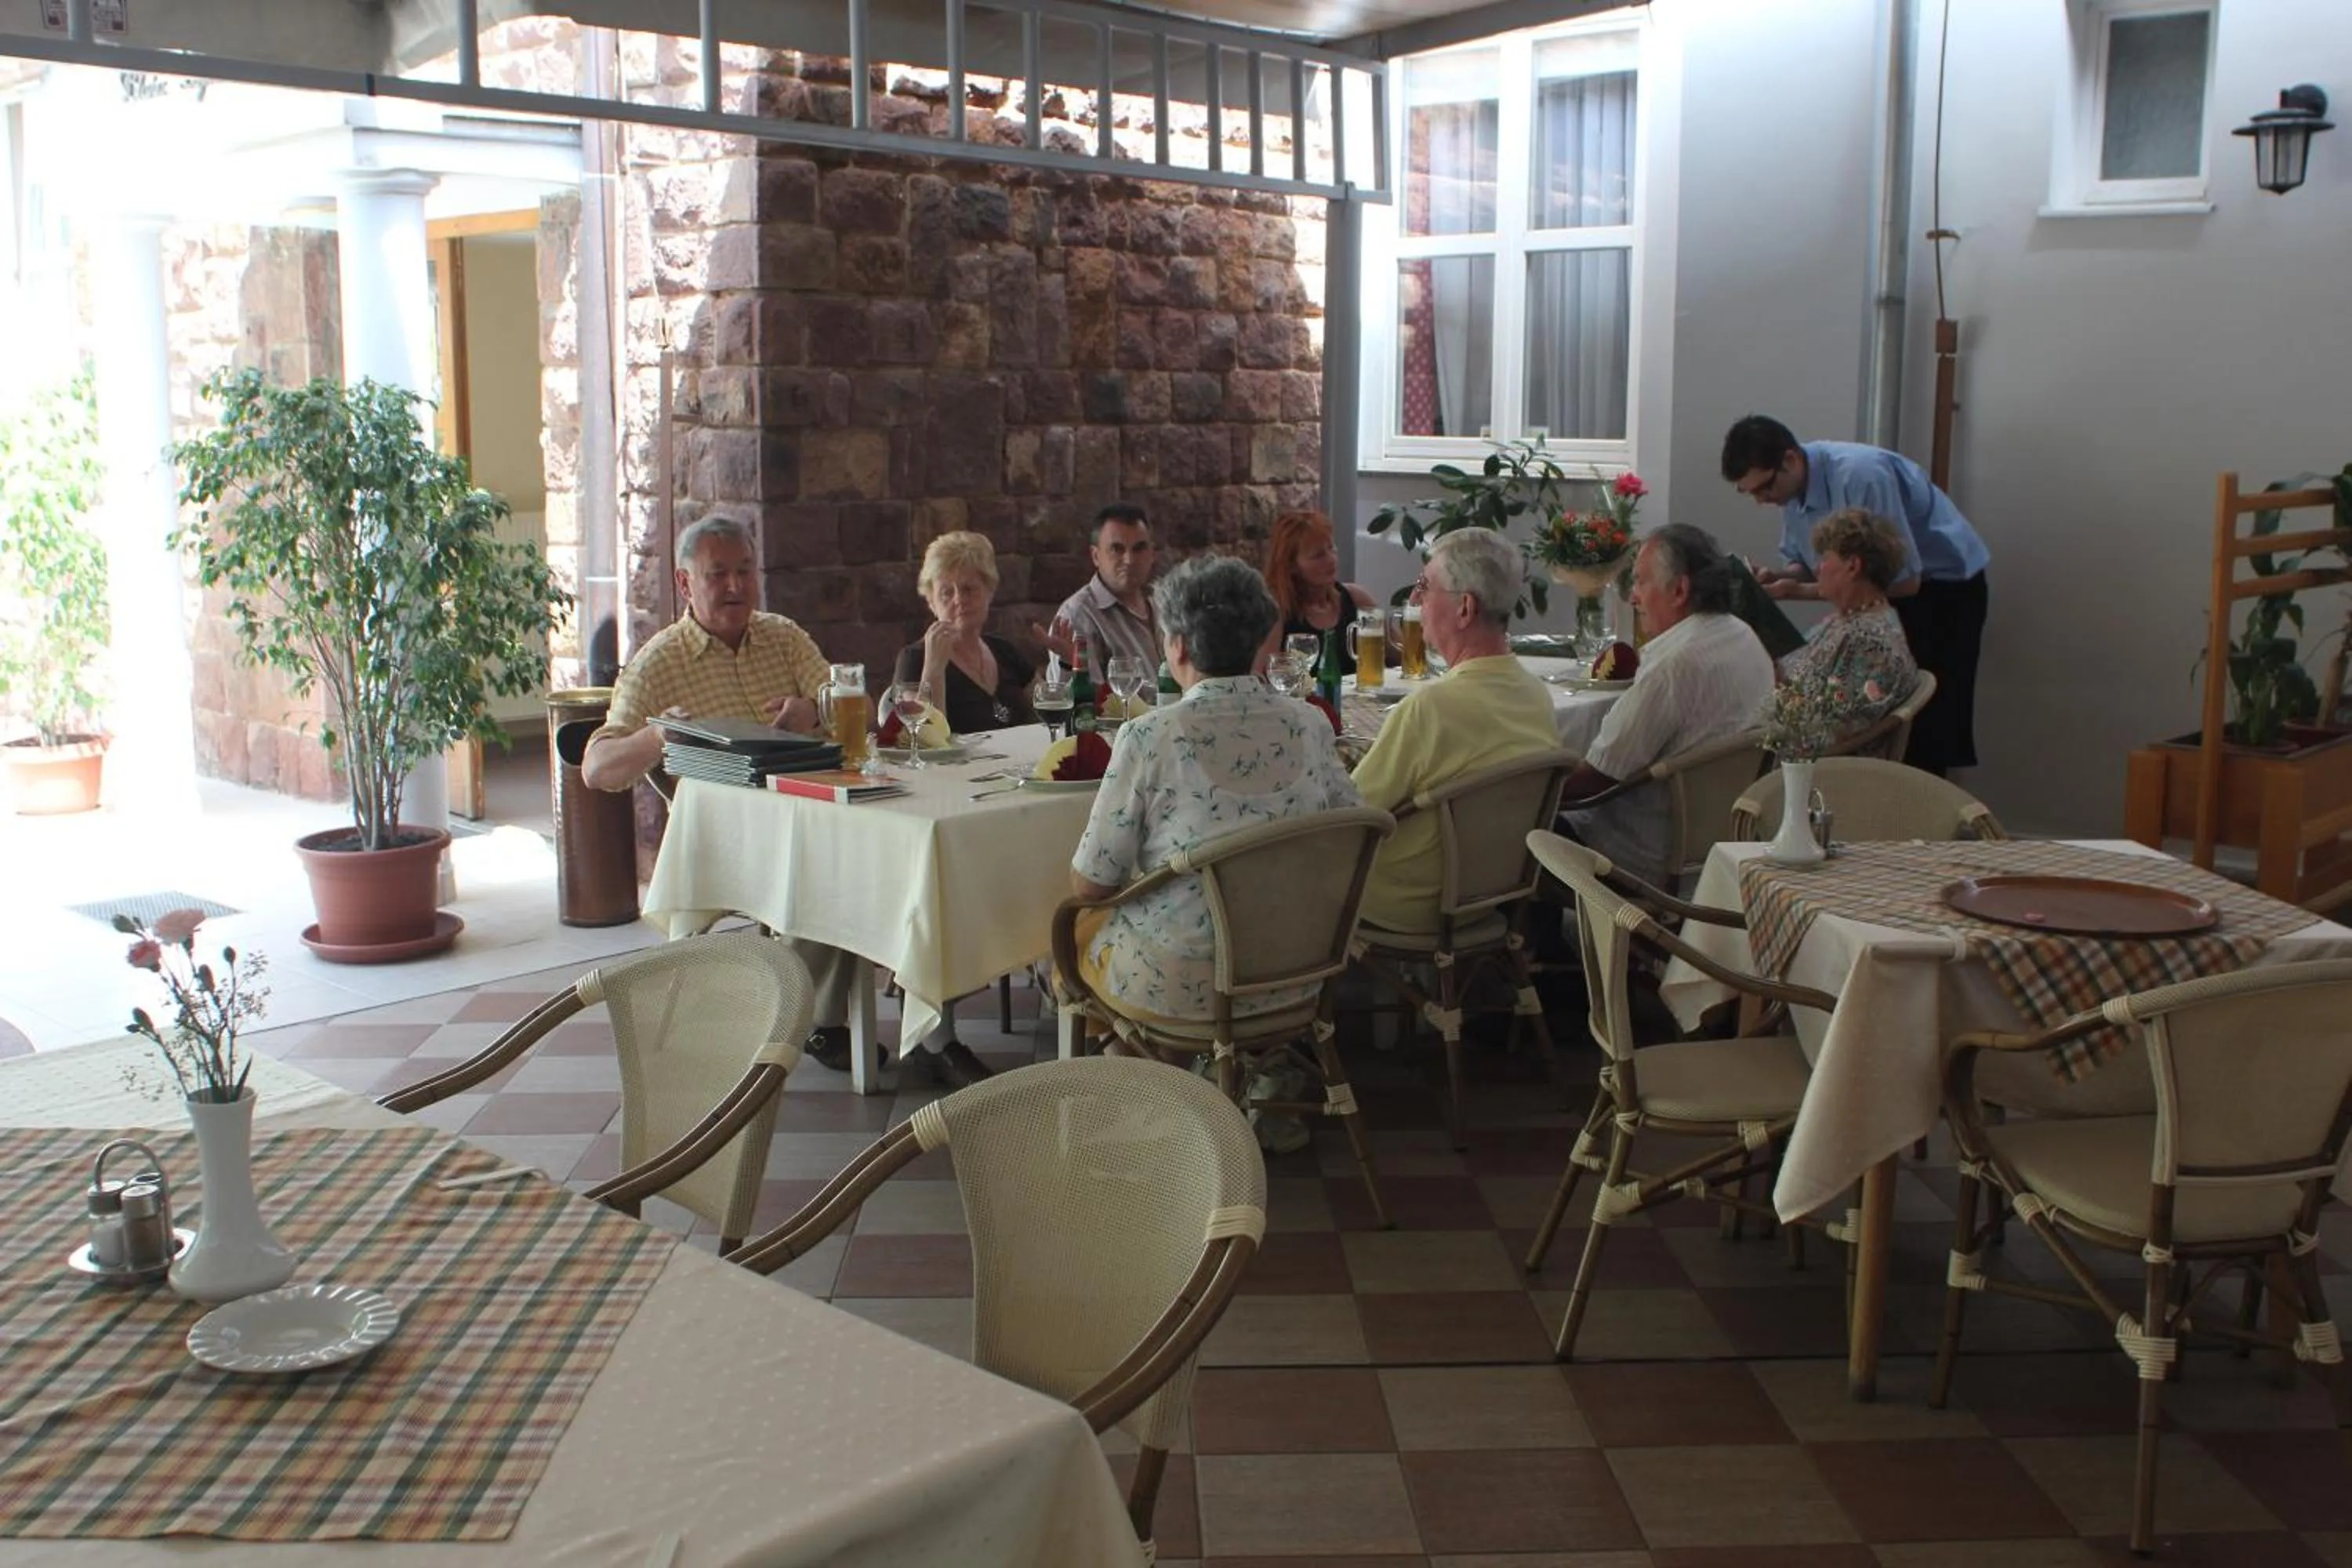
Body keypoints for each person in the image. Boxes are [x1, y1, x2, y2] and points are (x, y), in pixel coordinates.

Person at [1069, 554, 1361, 1152]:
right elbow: (1351, 828)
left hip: (1187, 984)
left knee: (1074, 932)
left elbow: (1092, 884)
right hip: (1301, 973)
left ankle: (1152, 1108)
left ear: (1176, 646)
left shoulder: (1151, 734)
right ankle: (1258, 1076)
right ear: (1263, 641)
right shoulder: (1310, 724)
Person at [579, 515, 859, 1075]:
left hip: (801, 819)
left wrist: (813, 709)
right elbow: (596, 768)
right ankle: (774, 1012)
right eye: (718, 575)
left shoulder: (782, 635)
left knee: (851, 867)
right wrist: (658, 735)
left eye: (745, 572)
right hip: (718, 843)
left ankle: (809, 1019)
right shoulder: (659, 661)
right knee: (825, 867)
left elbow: (845, 695)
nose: (735, 587)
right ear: (686, 584)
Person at [1720, 415, 1991, 775]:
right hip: (1882, 594)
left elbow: (1902, 578)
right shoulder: (1791, 492)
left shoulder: (1861, 475)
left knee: (1926, 730)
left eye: (1764, 488)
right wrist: (1782, 579)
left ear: (1790, 460)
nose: (1762, 500)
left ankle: (1919, 807)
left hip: (1942, 590)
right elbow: (1809, 563)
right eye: (1749, 493)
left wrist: (1800, 590)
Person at [1351, 530, 1560, 932]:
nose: (1414, 601)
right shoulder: (1536, 694)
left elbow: (1354, 813)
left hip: (1411, 900)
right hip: (1493, 892)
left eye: (1424, 587)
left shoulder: (1429, 708)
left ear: (1464, 608)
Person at [1559, 524, 1776, 887]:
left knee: (1519, 829)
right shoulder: (1741, 634)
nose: (1633, 598)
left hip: (1643, 852)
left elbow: (1600, 775)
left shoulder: (1675, 665)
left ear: (1679, 590)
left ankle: (1549, 943)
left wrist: (1529, 793)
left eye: (1641, 582)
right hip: (1719, 844)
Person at [1779, 508, 1920, 745]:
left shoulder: (1869, 643)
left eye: (1824, 559)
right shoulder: (1847, 618)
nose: (1817, 569)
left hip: (1824, 771)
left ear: (1853, 566)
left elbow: (1827, 733)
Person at [891, 531, 1037, 736]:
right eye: (947, 593)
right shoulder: (914, 658)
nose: (959, 600)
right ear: (931, 603)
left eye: (968, 589)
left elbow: (1050, 709)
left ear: (990, 592)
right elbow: (926, 739)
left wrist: (1068, 665)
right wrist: (934, 669)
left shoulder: (1004, 650)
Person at [1037, 504, 1160, 685]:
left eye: (1139, 548)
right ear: (1096, 556)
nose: (1129, 560)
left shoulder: (1164, 603)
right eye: (1117, 549)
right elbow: (1080, 705)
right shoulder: (1078, 616)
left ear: (1152, 553)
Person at [1262, 508, 1377, 677]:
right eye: (1318, 556)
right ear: (1292, 566)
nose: (1331, 559)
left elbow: (1399, 655)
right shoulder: (1277, 613)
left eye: (1331, 548)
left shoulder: (1357, 599)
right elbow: (1259, 678)